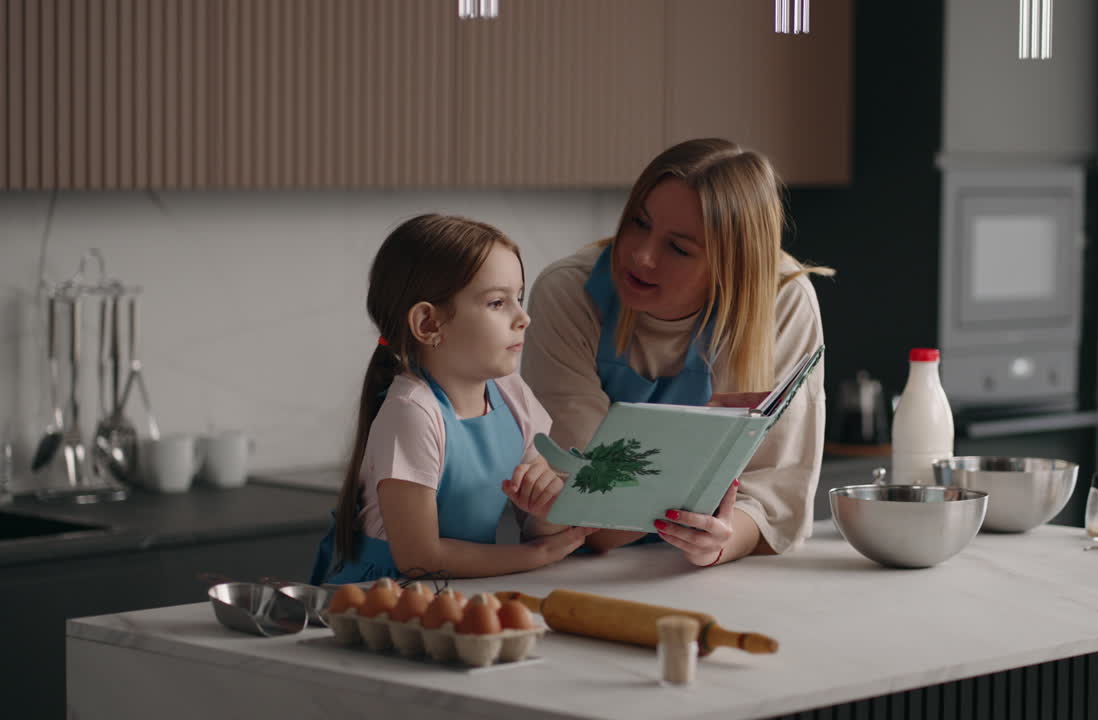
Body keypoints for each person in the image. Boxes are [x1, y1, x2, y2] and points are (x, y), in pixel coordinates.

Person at [522, 138, 831, 568]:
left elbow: (778, 494)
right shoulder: (569, 295)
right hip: (586, 567)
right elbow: (588, 505)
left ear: (732, 266)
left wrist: (720, 542)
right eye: (638, 222)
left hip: (708, 574)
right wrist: (699, 438)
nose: (641, 256)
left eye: (680, 248)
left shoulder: (782, 300)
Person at [311, 214, 595, 584]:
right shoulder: (412, 413)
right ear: (429, 324)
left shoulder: (511, 393)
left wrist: (546, 507)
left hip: (457, 588)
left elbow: (537, 525)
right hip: (381, 598)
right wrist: (534, 555)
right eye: (497, 303)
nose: (523, 317)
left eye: (519, 298)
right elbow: (420, 558)